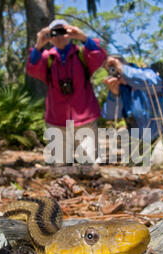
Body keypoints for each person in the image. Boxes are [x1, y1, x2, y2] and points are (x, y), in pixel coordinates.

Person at [26, 19, 107, 165]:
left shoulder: (82, 54)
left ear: (69, 33)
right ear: (49, 36)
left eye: (62, 31)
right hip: (57, 122)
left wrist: (83, 37)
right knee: (60, 166)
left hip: (85, 120)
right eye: (54, 33)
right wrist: (39, 45)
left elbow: (99, 55)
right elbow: (32, 67)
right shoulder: (47, 58)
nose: (59, 36)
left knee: (90, 166)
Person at [101, 55, 163, 164]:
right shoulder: (119, 89)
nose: (114, 70)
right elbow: (110, 115)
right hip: (140, 136)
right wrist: (114, 94)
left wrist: (125, 71)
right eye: (109, 68)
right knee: (134, 165)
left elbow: (155, 83)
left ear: (124, 63)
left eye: (114, 65)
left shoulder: (146, 73)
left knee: (161, 161)